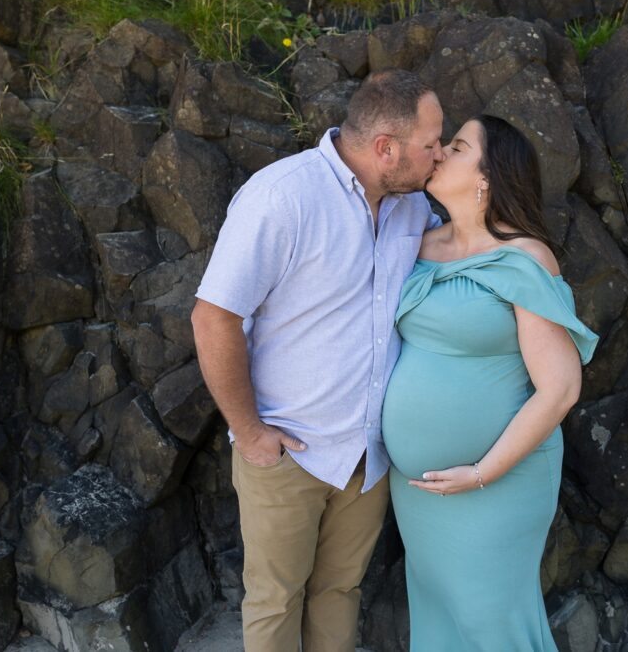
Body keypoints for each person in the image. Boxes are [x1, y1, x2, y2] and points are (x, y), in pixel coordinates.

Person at [190, 69, 444, 652]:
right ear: (386, 148)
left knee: (340, 592)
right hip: (290, 452)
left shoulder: (412, 209)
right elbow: (213, 317)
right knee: (275, 599)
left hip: (371, 456)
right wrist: (251, 434)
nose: (439, 156)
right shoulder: (282, 195)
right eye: (430, 144)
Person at [380, 114, 599, 650]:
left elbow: (560, 389)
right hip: (420, 490)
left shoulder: (524, 259)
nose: (438, 154)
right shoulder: (417, 246)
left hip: (498, 484)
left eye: (455, 147)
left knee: (491, 623)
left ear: (487, 177)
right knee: (440, 616)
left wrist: (481, 472)